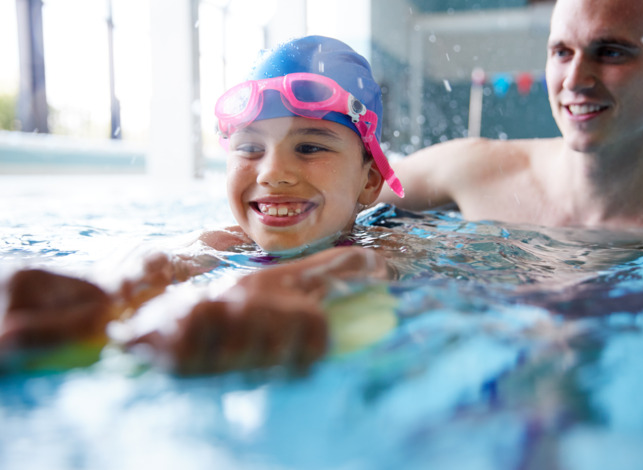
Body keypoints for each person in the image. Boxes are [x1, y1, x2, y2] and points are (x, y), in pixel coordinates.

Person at [0, 35, 404, 375]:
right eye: (249, 148)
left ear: (369, 181)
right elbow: (170, 261)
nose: (271, 173)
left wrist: (272, 283)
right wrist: (112, 292)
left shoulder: (384, 246)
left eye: (309, 146)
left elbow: (364, 266)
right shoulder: (227, 241)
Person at [378, 0, 643, 238]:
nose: (574, 80)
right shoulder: (472, 170)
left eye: (610, 52)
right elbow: (345, 197)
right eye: (562, 52)